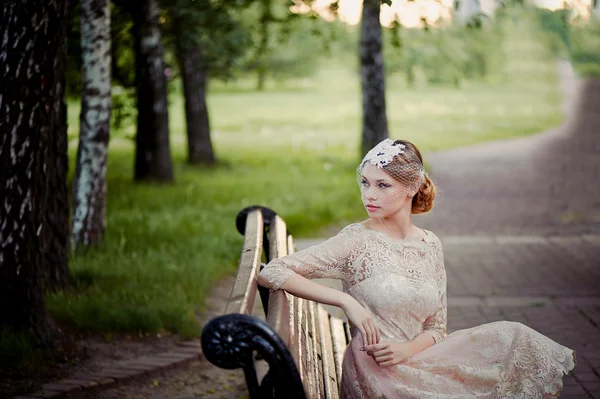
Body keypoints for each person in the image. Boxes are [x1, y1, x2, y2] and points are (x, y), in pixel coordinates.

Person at [257, 138, 576, 398]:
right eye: (366, 182)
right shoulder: (356, 240)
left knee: (518, 341)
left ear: (412, 187)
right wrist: (346, 301)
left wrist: (407, 350)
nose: (368, 194)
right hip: (378, 372)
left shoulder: (430, 244)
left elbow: (437, 328)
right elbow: (272, 272)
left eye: (383, 185)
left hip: (417, 357)